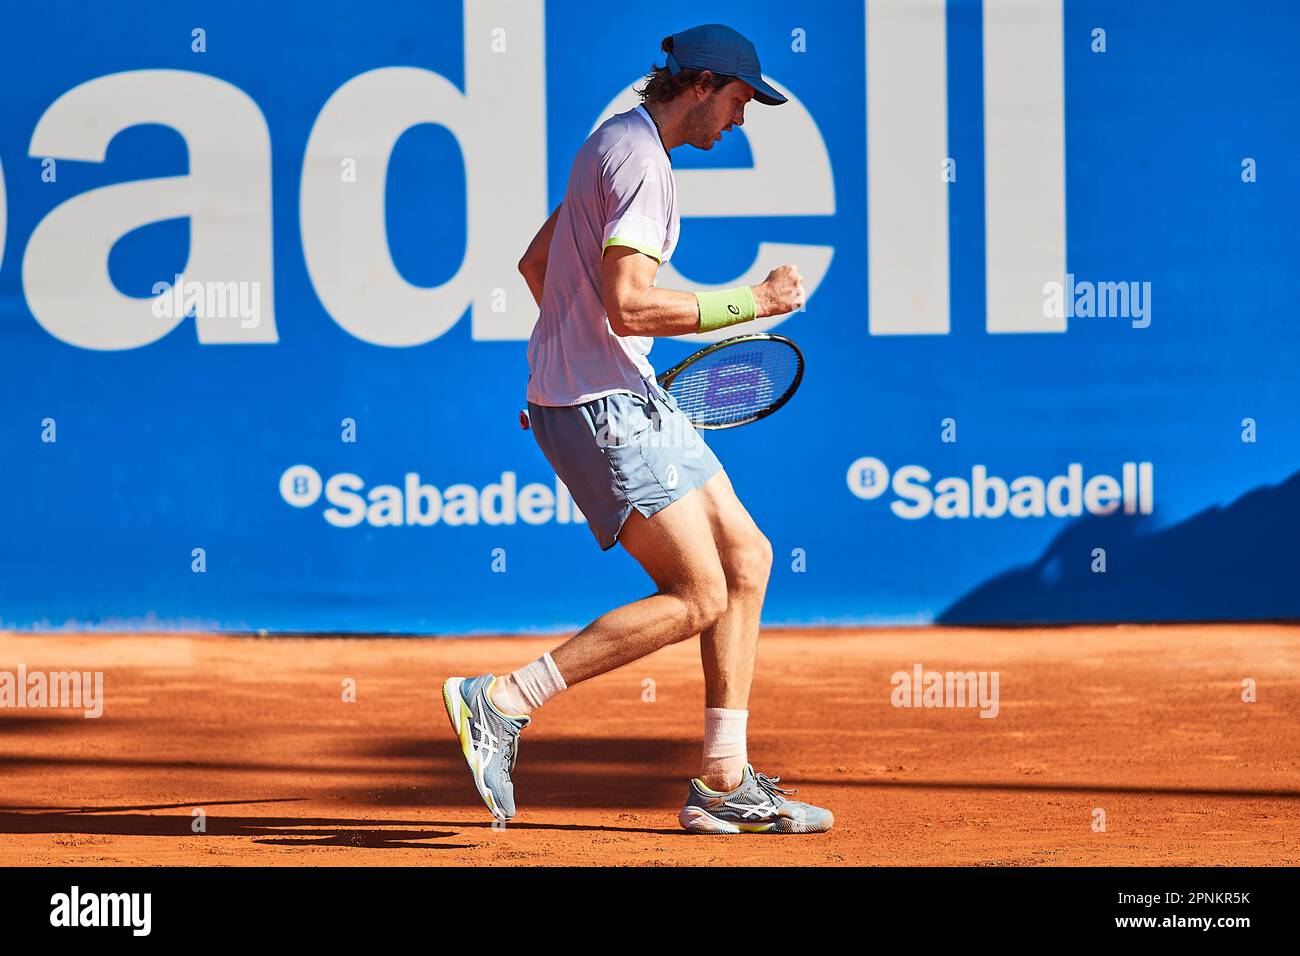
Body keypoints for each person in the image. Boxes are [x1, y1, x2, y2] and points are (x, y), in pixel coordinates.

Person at [442, 23, 831, 834]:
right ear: (700, 84)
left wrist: (560, 371)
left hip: (612, 392)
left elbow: (539, 265)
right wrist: (752, 303)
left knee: (747, 559)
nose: (741, 121)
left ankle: (723, 779)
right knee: (698, 594)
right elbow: (627, 302)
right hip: (605, 403)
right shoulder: (647, 167)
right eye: (737, 101)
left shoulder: (611, 141)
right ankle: (504, 700)